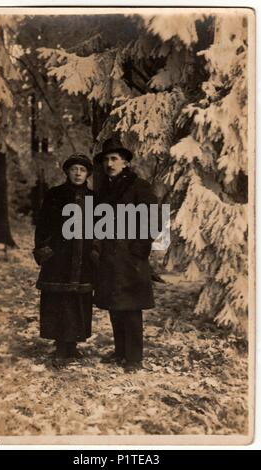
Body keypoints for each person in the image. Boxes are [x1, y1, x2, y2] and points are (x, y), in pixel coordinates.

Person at [92, 136, 157, 373]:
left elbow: (154, 217)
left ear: (125, 162)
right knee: (114, 304)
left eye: (114, 159)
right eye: (106, 160)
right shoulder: (104, 189)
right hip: (109, 256)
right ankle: (120, 352)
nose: (109, 164)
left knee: (131, 307)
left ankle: (134, 358)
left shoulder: (139, 186)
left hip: (131, 256)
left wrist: (140, 248)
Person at [33, 153, 93, 363]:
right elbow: (43, 225)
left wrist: (94, 252)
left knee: (77, 301)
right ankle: (60, 347)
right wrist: (44, 249)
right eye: (74, 169)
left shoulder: (94, 199)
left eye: (83, 170)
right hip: (58, 257)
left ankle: (73, 345)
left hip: (83, 259)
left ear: (88, 174)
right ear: (67, 171)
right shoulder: (55, 194)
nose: (78, 173)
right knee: (58, 300)